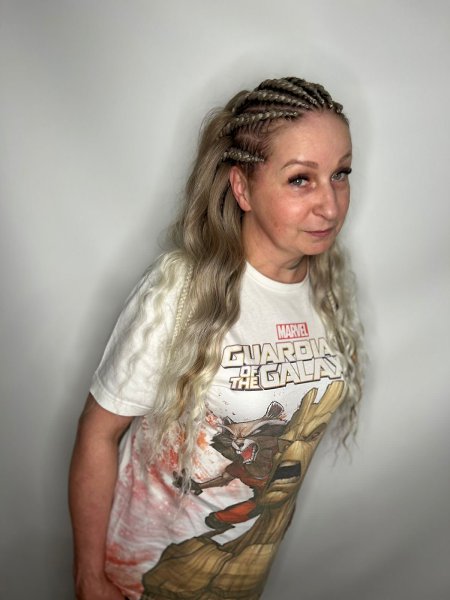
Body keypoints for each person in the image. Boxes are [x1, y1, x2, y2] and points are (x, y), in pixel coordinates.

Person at [69, 76, 364, 600]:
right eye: (301, 179)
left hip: (239, 577)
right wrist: (90, 578)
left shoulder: (327, 289)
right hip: (140, 577)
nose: (330, 205)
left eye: (340, 174)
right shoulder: (182, 290)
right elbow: (98, 432)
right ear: (242, 188)